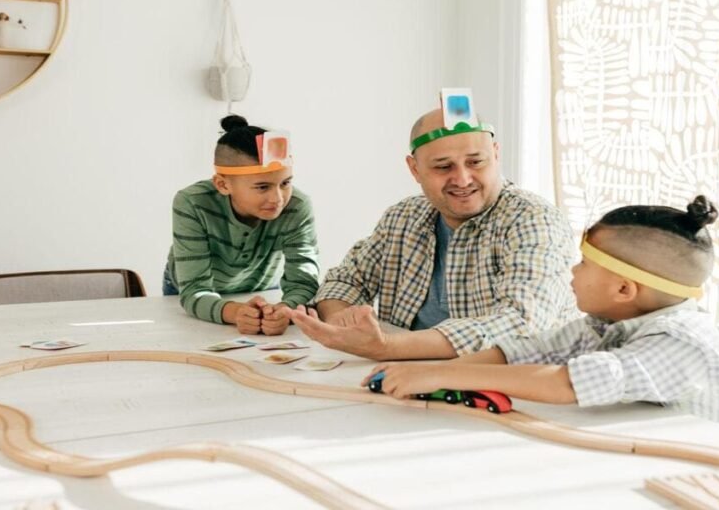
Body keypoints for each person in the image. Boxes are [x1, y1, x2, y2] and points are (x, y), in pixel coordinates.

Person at [360, 196, 719, 431]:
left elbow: (567, 383)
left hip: (713, 477)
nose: (572, 270)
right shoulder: (605, 323)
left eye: (583, 264)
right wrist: (419, 374)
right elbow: (525, 351)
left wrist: (441, 372)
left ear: (624, 289)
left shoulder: (683, 342)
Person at [287, 97, 576, 361]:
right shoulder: (404, 216)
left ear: (496, 155)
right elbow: (346, 281)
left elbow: (520, 324)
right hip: (408, 378)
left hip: (508, 388)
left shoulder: (533, 220)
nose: (463, 179)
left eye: (476, 162)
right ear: (414, 170)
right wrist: (343, 321)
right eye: (443, 167)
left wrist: (386, 347)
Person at [165, 115, 319, 336]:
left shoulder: (297, 205)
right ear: (222, 184)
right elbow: (195, 290)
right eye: (262, 187)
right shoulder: (191, 202)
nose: (278, 198)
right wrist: (236, 313)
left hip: (261, 292)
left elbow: (304, 283)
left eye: (285, 183)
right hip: (192, 293)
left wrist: (284, 311)